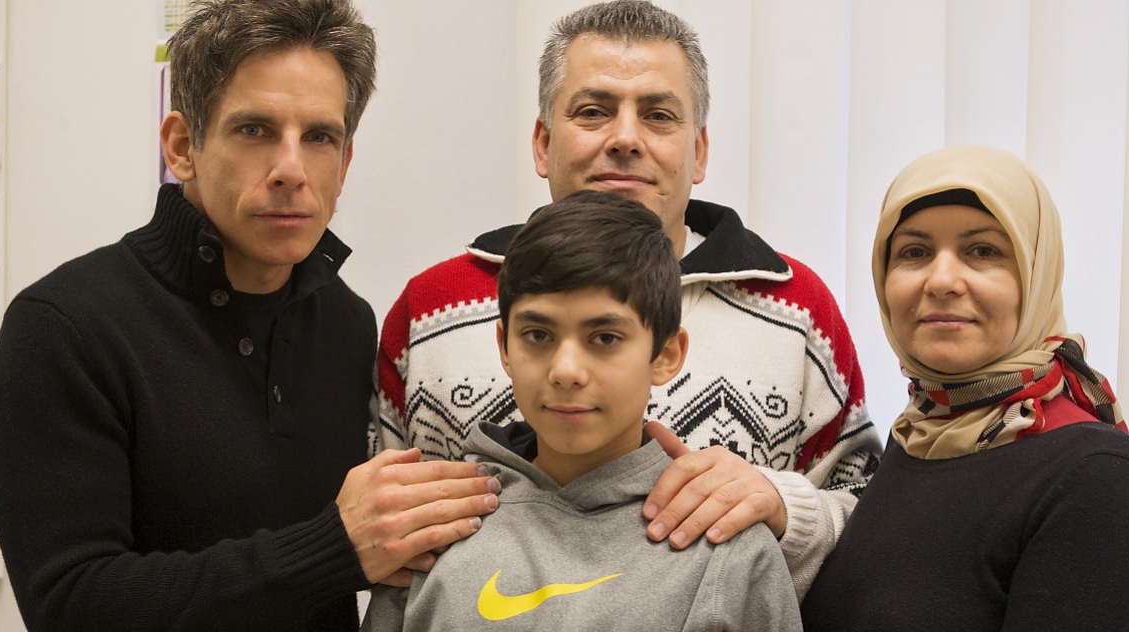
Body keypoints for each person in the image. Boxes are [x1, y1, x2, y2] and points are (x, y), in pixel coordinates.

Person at [0, 1, 499, 630]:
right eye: (254, 130)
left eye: (319, 137)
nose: (290, 170)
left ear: (346, 160)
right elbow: (71, 605)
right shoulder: (65, 326)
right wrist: (333, 549)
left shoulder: (347, 324)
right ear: (181, 147)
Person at [372, 0, 879, 599]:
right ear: (542, 142)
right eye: (593, 111)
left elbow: (876, 528)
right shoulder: (431, 306)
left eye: (659, 115)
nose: (625, 139)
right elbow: (381, 533)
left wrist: (783, 508)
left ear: (701, 150)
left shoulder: (799, 311)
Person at [361, 191, 803, 631]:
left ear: (666, 353)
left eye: (605, 338)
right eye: (538, 335)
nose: (566, 371)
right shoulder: (434, 531)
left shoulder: (730, 551)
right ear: (505, 347)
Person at [799, 145, 1129, 630]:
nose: (941, 280)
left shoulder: (1097, 480)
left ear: (1035, 274)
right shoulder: (916, 439)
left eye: (983, 251)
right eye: (914, 252)